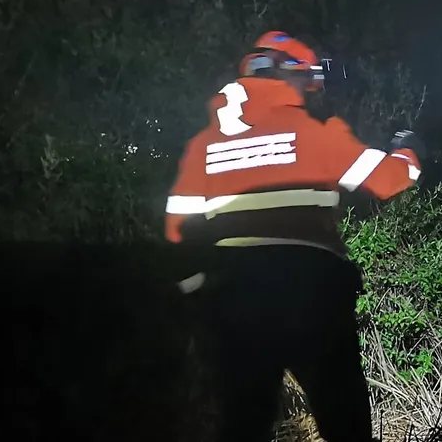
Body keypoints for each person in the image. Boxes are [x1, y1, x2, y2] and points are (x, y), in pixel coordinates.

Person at [164, 31, 423, 442]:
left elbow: (177, 229)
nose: (310, 91)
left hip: (232, 295)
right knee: (344, 418)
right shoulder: (316, 134)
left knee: (241, 420)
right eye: (307, 80)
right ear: (290, 76)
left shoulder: (204, 147)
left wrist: (193, 291)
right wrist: (406, 148)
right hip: (311, 291)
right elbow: (392, 180)